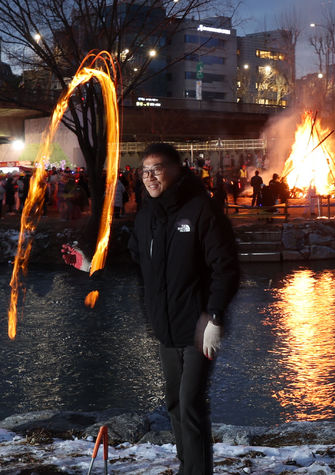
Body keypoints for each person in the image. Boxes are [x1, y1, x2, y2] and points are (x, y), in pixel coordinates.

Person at [62, 143, 239, 475]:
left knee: (190, 405)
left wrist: (215, 315)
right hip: (165, 328)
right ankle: (188, 467)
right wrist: (92, 265)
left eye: (157, 169)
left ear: (176, 170)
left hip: (199, 327)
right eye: (144, 171)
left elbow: (226, 268)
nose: (149, 176)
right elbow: (133, 261)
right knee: (174, 403)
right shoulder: (147, 217)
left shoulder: (202, 211)